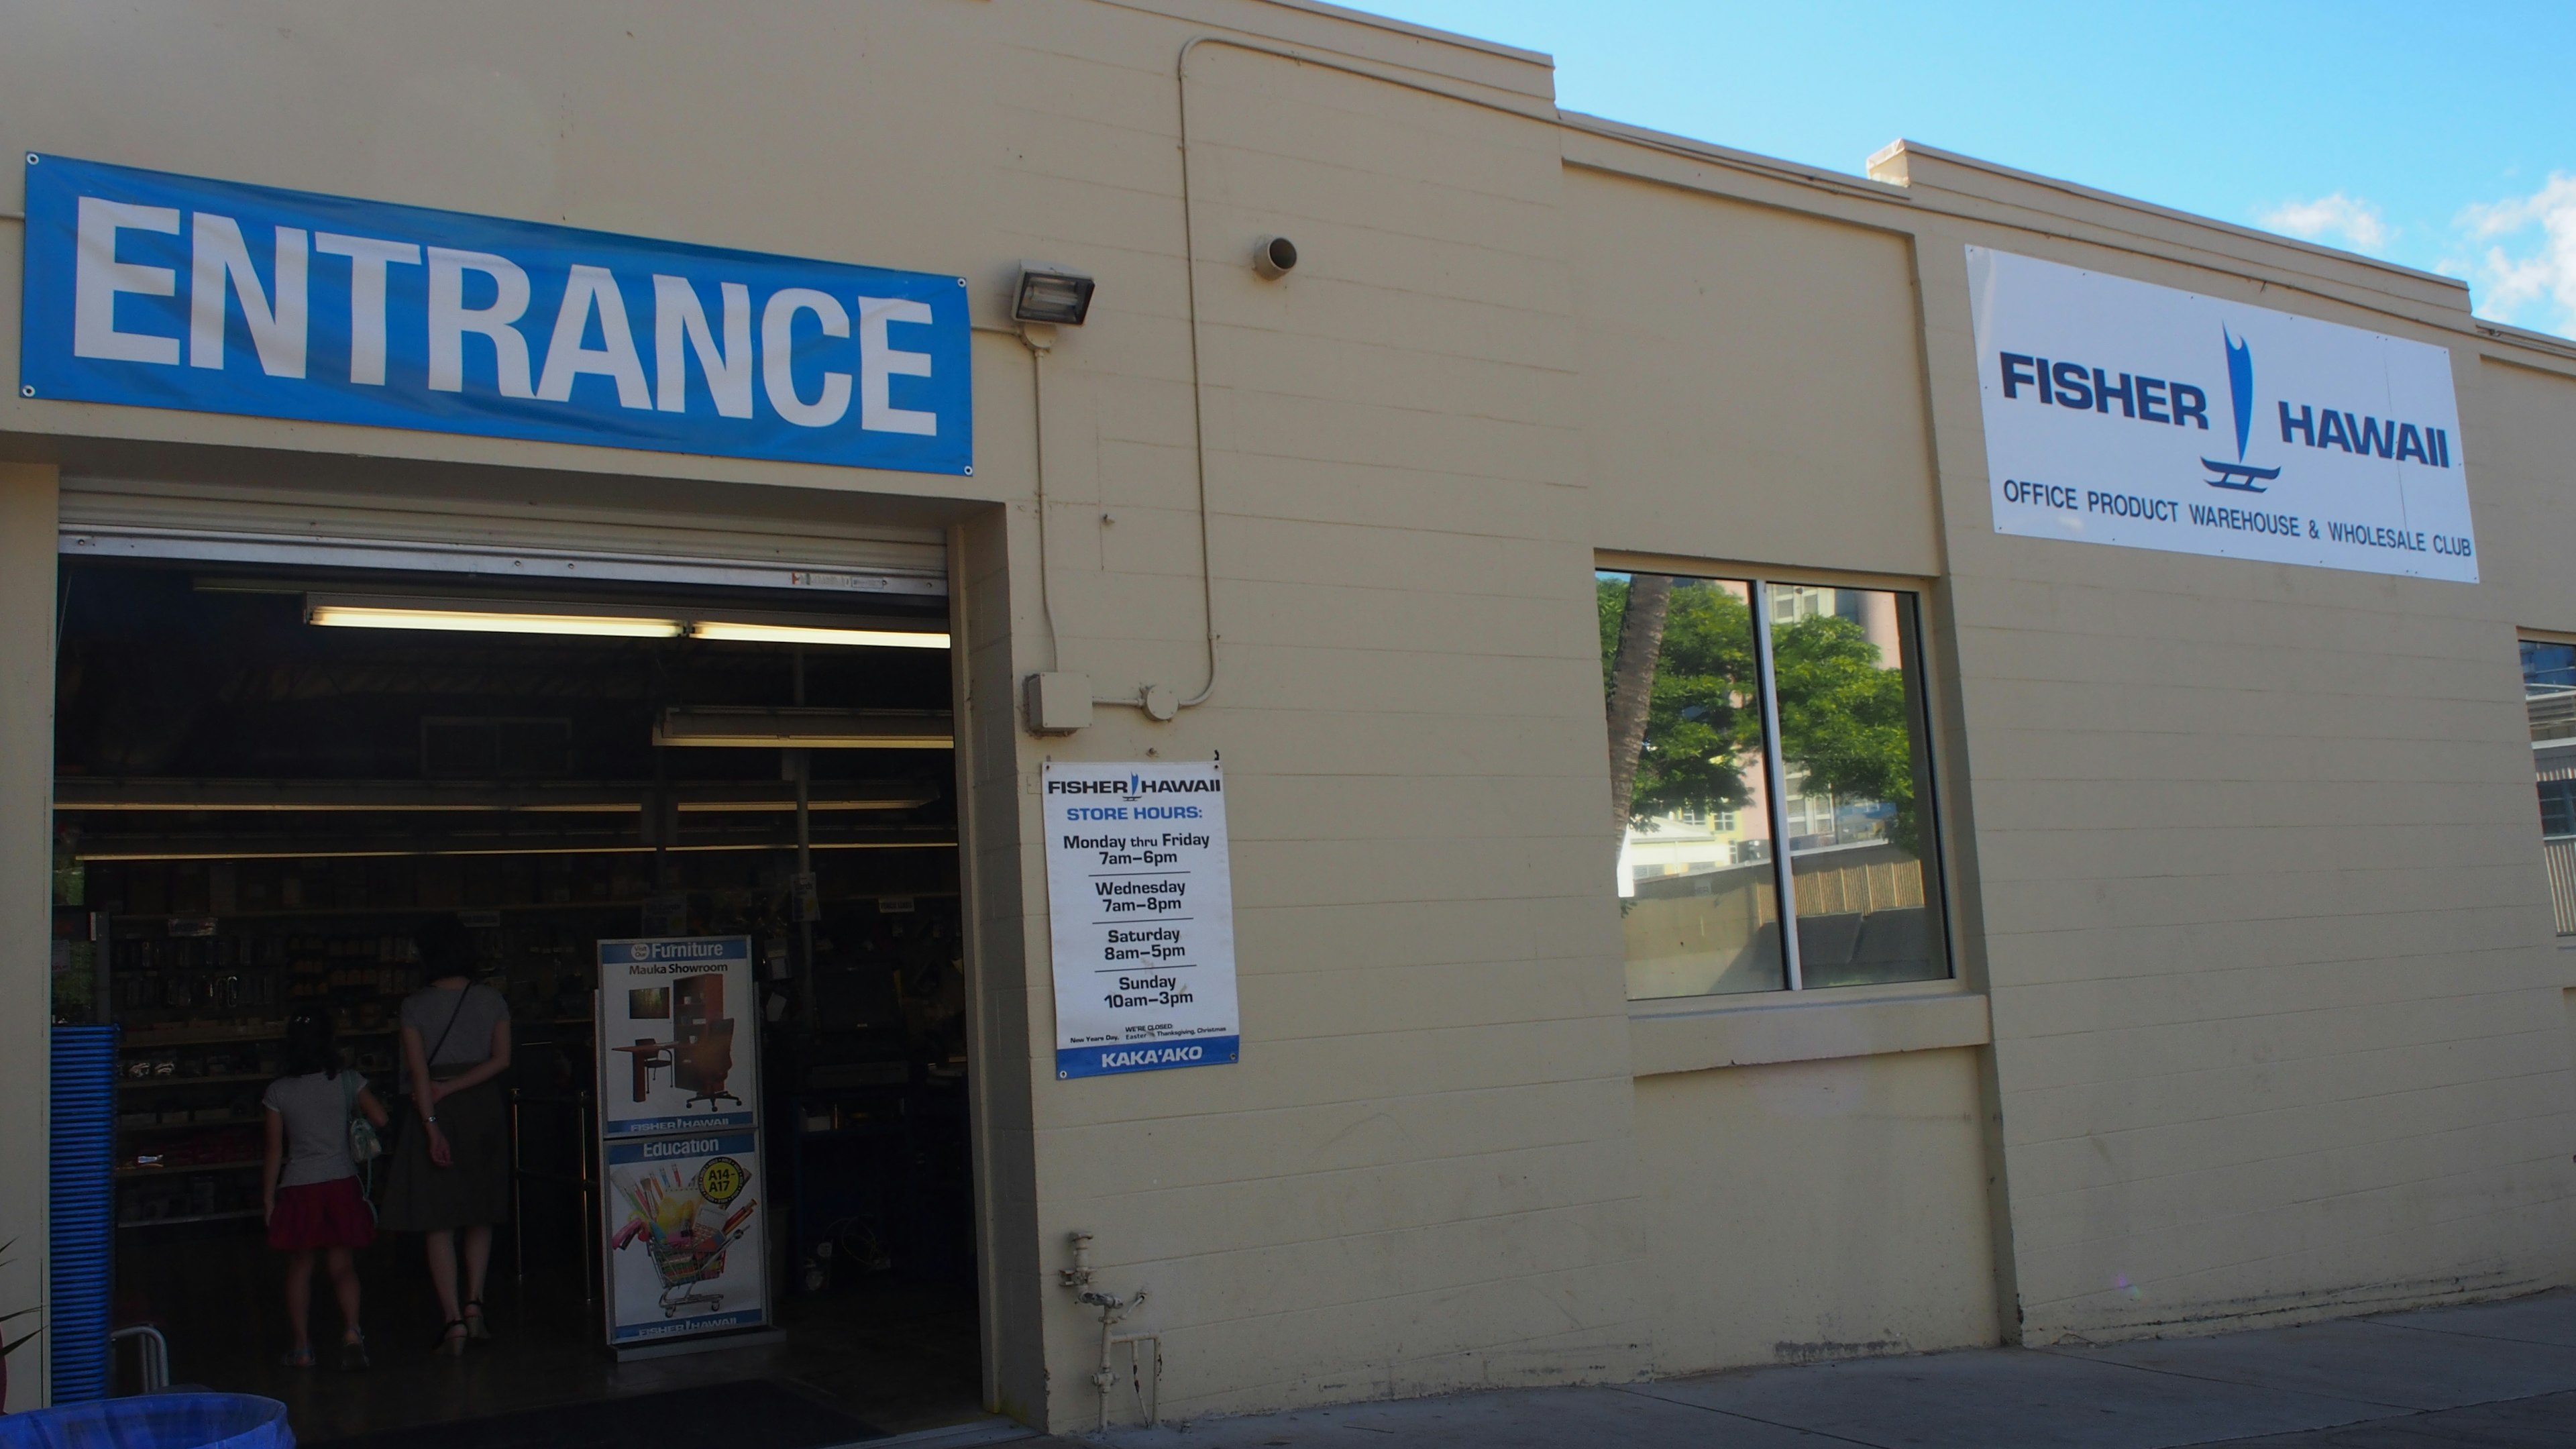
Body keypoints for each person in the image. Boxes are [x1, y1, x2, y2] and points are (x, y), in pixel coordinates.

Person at [378, 918, 513, 1356]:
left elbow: (419, 1075)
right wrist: (459, 1087)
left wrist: (432, 1121)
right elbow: (502, 1059)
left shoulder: (414, 1006)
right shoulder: (493, 1000)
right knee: (481, 1209)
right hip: (483, 1108)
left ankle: (452, 1319)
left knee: (438, 1219)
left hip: (432, 1107)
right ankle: (476, 1305)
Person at [261, 1011, 389, 1371]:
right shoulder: (349, 1081)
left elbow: (274, 1149)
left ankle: (302, 1349)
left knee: (301, 1266)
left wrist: (268, 1199)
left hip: (299, 1186)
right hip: (341, 1182)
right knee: (342, 1264)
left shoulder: (278, 1091)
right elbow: (380, 1119)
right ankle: (352, 1332)